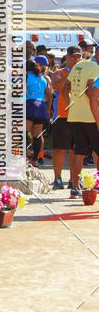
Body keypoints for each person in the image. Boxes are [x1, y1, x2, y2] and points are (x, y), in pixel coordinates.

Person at [63, 44, 99, 198]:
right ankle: (96, 184)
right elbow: (91, 92)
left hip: (75, 115)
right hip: (91, 117)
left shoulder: (79, 65)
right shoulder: (95, 68)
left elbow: (65, 88)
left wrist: (70, 105)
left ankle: (75, 187)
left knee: (79, 151)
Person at [50, 45, 82, 189]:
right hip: (62, 116)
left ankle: (73, 179)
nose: (76, 59)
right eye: (73, 56)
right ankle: (57, 178)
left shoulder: (84, 73)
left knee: (76, 150)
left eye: (78, 56)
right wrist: (72, 74)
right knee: (60, 149)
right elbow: (57, 86)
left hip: (79, 116)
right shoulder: (59, 72)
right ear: (67, 57)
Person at [26, 55, 52, 167]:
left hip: (30, 104)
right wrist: (48, 109)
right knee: (37, 135)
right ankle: (36, 159)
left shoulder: (27, 75)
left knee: (23, 132)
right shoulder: (44, 78)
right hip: (41, 106)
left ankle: (24, 156)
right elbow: (50, 95)